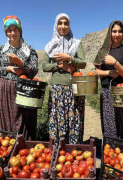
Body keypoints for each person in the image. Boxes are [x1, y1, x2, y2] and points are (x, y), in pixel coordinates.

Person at [0, 15, 38, 140]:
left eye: (15, 29)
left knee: (25, 119)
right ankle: (9, 145)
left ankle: (26, 145)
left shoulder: (29, 50)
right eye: (9, 30)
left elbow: (34, 70)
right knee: (8, 117)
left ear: (20, 30)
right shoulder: (0, 50)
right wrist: (8, 68)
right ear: (6, 32)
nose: (12, 33)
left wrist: (20, 62)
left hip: (24, 88)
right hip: (5, 89)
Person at [43, 13, 86, 145]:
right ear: (56, 25)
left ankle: (73, 150)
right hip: (57, 89)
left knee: (75, 120)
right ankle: (58, 151)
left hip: (74, 88)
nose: (63, 26)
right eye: (60, 23)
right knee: (57, 120)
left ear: (69, 25)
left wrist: (69, 58)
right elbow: (45, 66)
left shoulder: (76, 43)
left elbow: (83, 63)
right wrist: (58, 65)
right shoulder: (50, 45)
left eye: (66, 23)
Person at [93, 20, 123, 140]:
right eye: (114, 31)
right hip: (107, 92)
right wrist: (109, 72)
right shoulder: (103, 51)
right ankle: (110, 153)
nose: (117, 34)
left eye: (120, 31)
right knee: (109, 125)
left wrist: (115, 63)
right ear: (110, 33)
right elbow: (96, 71)